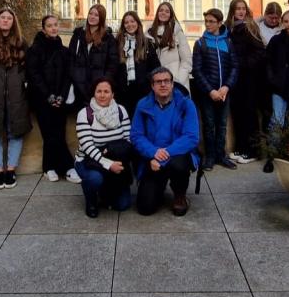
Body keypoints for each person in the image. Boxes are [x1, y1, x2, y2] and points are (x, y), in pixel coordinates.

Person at [131, 67, 200, 216]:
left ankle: (180, 195)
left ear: (172, 84)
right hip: (152, 158)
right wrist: (153, 152)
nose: (163, 84)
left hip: (176, 156)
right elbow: (136, 136)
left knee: (179, 164)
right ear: (152, 86)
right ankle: (159, 186)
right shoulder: (142, 105)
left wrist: (164, 155)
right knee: (145, 208)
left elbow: (191, 137)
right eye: (158, 82)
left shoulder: (186, 104)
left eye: (166, 81)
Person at [26, 15, 80, 183]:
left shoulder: (64, 51)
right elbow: (34, 75)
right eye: (49, 26)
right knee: (49, 134)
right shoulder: (35, 50)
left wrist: (61, 96)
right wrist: (48, 95)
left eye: (55, 25)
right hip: (42, 100)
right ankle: (65, 167)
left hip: (59, 100)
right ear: (44, 29)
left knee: (59, 133)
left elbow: (67, 76)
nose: (53, 28)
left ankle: (50, 167)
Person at [0, 7, 31, 190]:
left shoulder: (21, 42)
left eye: (9, 18)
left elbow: (27, 68)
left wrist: (21, 82)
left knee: (15, 132)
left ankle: (10, 170)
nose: (5, 20)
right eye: (2, 17)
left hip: (16, 94)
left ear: (13, 21)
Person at [75, 78, 134, 217]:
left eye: (106, 91)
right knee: (94, 179)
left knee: (123, 205)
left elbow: (128, 139)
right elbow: (87, 146)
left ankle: (105, 191)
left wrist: (111, 150)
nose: (102, 95)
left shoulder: (121, 111)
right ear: (94, 93)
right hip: (89, 161)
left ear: (113, 94)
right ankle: (91, 199)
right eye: (99, 91)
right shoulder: (85, 114)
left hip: (116, 158)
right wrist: (108, 164)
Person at [192, 7, 238, 169]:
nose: (208, 24)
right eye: (206, 21)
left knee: (222, 125)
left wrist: (226, 87)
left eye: (211, 22)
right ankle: (210, 156)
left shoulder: (228, 42)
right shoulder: (200, 43)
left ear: (219, 23)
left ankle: (221, 155)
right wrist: (210, 90)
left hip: (224, 92)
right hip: (207, 93)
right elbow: (197, 70)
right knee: (209, 125)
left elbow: (234, 67)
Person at [227, 0, 269, 164]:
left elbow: (260, 53)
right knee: (237, 113)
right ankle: (240, 147)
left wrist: (242, 64)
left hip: (250, 78)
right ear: (232, 11)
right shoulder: (229, 29)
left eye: (243, 8)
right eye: (238, 9)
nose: (241, 11)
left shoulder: (251, 27)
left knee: (249, 114)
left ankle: (252, 151)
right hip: (235, 78)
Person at [69, 3, 119, 105]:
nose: (92, 17)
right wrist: (74, 77)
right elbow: (70, 58)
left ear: (101, 18)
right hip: (79, 87)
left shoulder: (108, 38)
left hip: (98, 88)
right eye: (90, 13)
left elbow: (113, 63)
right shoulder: (78, 35)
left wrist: (104, 83)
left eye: (96, 15)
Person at [115, 10, 160, 115]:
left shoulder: (147, 43)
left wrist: (145, 81)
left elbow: (155, 67)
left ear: (138, 23)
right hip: (122, 93)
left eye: (132, 21)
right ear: (123, 25)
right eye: (126, 22)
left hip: (143, 92)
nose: (129, 24)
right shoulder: (117, 43)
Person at [148, 1, 192, 92]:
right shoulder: (149, 33)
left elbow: (187, 61)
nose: (163, 13)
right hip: (157, 84)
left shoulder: (177, 33)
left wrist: (177, 81)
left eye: (167, 11)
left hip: (176, 83)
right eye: (161, 10)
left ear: (171, 15)